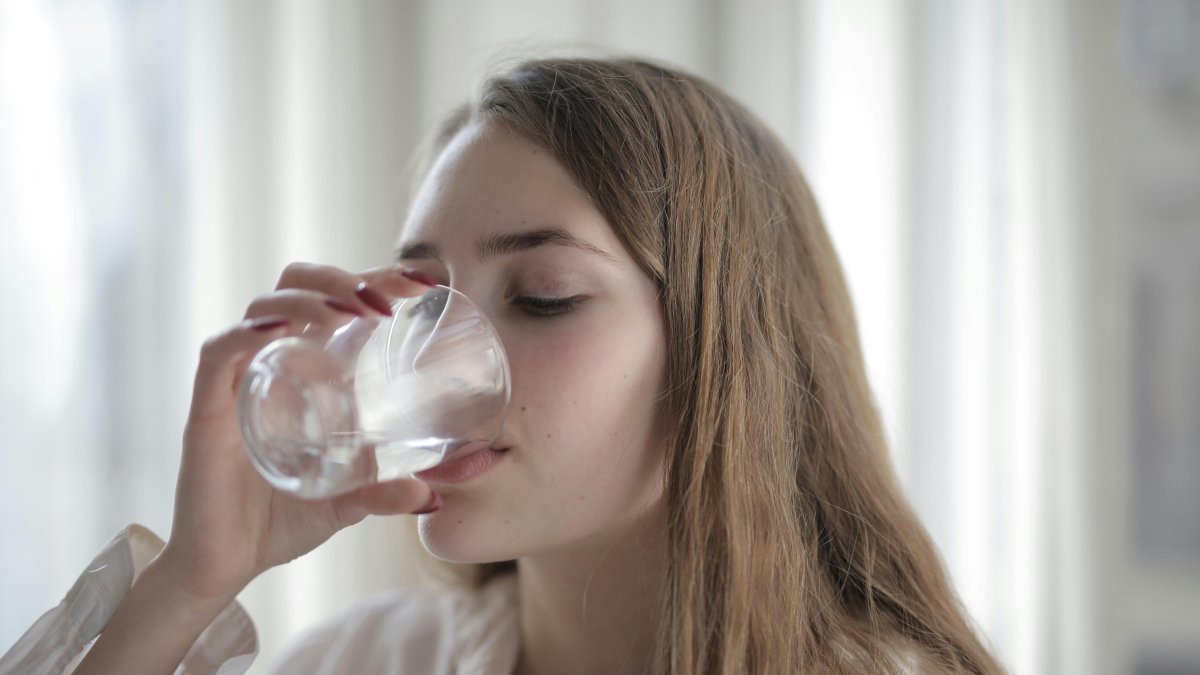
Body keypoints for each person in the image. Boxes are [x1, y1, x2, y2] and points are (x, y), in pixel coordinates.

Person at [2, 57, 1004, 674]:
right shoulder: (369, 663)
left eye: (543, 298)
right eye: (417, 298)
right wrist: (189, 583)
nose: (437, 354)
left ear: (719, 353)